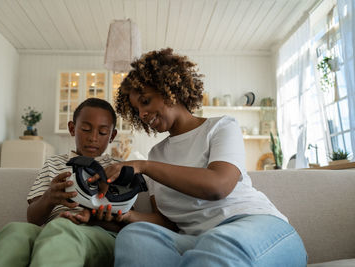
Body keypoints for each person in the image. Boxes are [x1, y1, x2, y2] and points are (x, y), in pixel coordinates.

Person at [91, 48, 308, 266]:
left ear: (170, 90)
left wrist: (144, 166)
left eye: (145, 102)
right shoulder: (156, 154)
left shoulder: (222, 127)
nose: (142, 114)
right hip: (196, 241)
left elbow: (218, 185)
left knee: (216, 245)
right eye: (136, 110)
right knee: (134, 237)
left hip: (256, 227)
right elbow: (167, 223)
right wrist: (126, 216)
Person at [0, 98, 124, 267]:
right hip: (51, 229)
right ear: (72, 128)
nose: (93, 138)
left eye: (102, 133)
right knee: (15, 231)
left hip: (98, 233)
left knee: (62, 230)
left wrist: (92, 218)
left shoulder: (117, 168)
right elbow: (32, 218)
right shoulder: (53, 164)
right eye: (85, 129)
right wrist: (49, 197)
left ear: (112, 135)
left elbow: (126, 222)